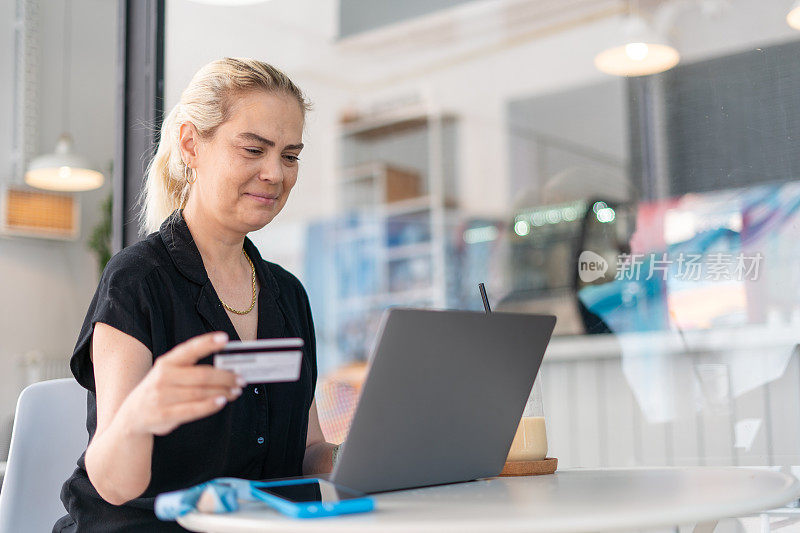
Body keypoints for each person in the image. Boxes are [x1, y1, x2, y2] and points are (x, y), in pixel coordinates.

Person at [53, 57, 337, 532]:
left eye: (290, 156)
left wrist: (370, 459)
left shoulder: (287, 294)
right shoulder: (138, 280)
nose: (275, 173)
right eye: (253, 149)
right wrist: (139, 416)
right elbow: (114, 485)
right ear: (191, 144)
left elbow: (308, 449)